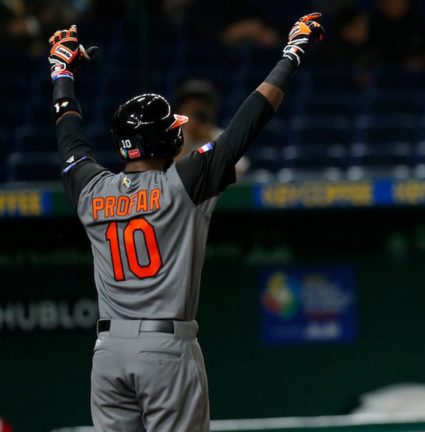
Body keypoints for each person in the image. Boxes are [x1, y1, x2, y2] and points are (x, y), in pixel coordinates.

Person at [47, 14, 323, 431]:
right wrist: (292, 53)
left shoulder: (90, 188)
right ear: (162, 140)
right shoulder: (183, 183)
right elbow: (249, 121)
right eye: (172, 126)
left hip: (107, 351)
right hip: (164, 348)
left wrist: (61, 73)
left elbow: (70, 138)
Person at [173, 79, 250, 179]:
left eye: (201, 108)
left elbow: (239, 170)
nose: (196, 115)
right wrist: (184, 140)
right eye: (191, 109)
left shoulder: (220, 137)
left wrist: (208, 140)